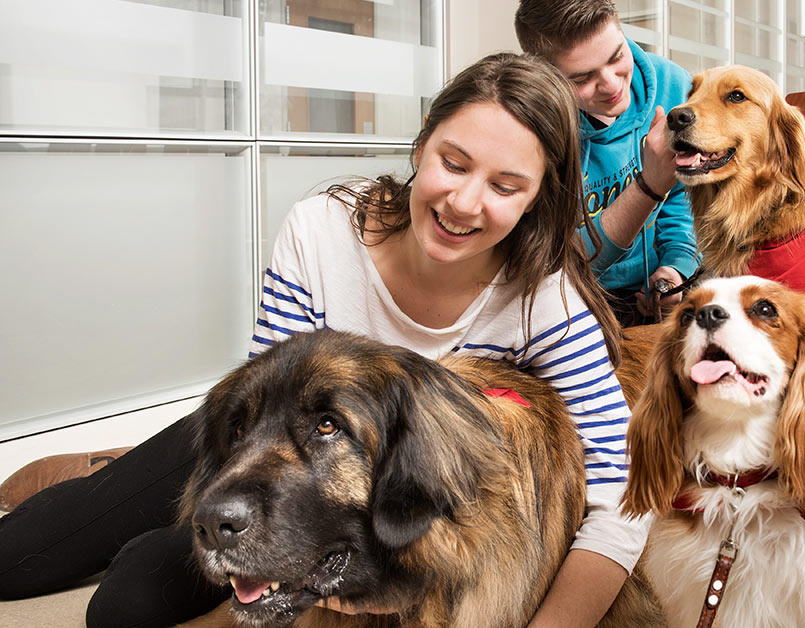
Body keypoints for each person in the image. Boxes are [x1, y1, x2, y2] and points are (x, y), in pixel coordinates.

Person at [0, 53, 644, 628]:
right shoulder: (323, 230)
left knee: (127, 600)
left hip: (373, 492)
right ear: (421, 145)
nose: (465, 202)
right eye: (453, 163)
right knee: (37, 547)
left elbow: (621, 500)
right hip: (264, 438)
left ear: (536, 200)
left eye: (506, 187)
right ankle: (91, 485)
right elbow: (261, 414)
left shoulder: (544, 300)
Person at [515, 0, 700, 326]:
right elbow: (562, 266)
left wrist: (676, 267)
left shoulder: (673, 83)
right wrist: (649, 185)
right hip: (575, 298)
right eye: (583, 78)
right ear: (548, 78)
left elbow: (682, 196)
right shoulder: (534, 128)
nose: (613, 85)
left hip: (657, 288)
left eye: (617, 56)